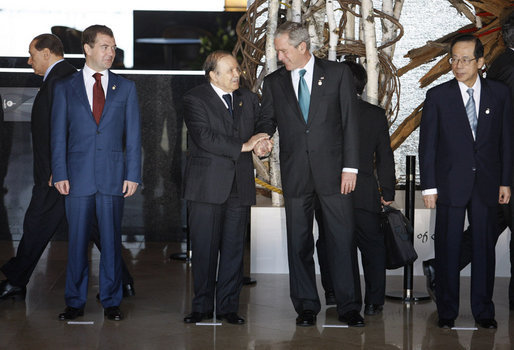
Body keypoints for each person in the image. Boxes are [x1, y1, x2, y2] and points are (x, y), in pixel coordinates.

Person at [0, 33, 135, 302]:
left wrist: (56, 170)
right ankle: (123, 282)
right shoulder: (57, 79)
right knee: (92, 228)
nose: (29, 61)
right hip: (61, 174)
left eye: (32, 54)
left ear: (47, 52)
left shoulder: (63, 79)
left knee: (38, 225)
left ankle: (16, 281)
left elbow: (64, 131)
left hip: (60, 176)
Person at [257, 21, 363, 327]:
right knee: (298, 241)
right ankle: (305, 305)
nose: (279, 57)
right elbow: (267, 119)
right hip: (296, 175)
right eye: (278, 51)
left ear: (302, 47)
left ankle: (349, 306)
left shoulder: (338, 74)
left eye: (283, 50)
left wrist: (350, 167)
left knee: (341, 241)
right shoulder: (274, 81)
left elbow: (350, 123)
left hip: (335, 174)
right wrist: (263, 138)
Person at [419, 34, 512, 329]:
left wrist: (506, 182)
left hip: (487, 184)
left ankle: (484, 312)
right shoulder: (438, 96)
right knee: (448, 248)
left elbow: (507, 141)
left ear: (480, 62)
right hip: (449, 185)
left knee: (484, 248)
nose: (458, 65)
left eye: (465, 59)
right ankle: (447, 312)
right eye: (454, 59)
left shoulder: (500, 94)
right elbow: (428, 146)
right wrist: (429, 186)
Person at [51, 25, 141, 321]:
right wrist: (60, 172)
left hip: (113, 177)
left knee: (112, 241)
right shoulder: (66, 87)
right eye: (104, 47)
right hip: (76, 177)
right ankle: (75, 301)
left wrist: (132, 174)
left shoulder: (125, 88)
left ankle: (111, 299)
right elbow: (58, 136)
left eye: (113, 47)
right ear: (87, 49)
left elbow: (133, 137)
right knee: (76, 241)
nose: (110, 53)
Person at [181, 51, 270, 325]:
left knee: (233, 251)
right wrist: (245, 145)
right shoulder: (194, 98)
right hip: (206, 186)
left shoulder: (248, 98)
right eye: (230, 70)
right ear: (213, 75)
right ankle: (202, 307)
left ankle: (229, 307)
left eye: (237, 69)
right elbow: (205, 137)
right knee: (205, 250)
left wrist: (263, 144)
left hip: (239, 185)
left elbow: (260, 127)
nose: (237, 74)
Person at [316, 60, 396, 316]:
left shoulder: (322, 113)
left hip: (328, 191)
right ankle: (374, 301)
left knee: (331, 243)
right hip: (364, 192)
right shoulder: (374, 114)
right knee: (372, 245)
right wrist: (388, 192)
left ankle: (335, 293)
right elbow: (385, 156)